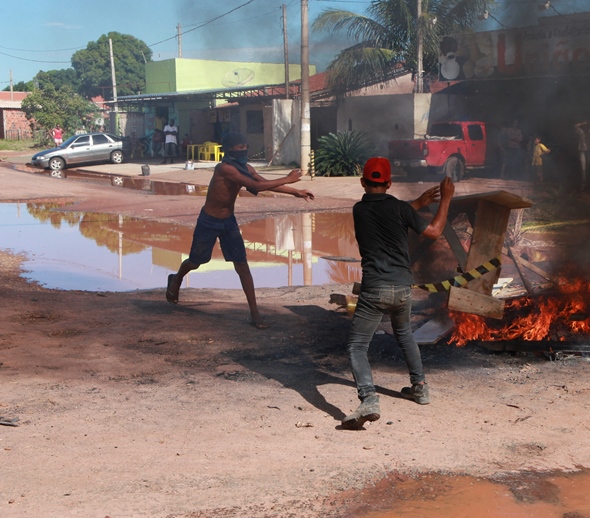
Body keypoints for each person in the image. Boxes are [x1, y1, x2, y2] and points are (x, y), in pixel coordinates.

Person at [342, 157, 454, 430]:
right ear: (389, 183)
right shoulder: (400, 208)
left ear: (362, 182)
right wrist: (446, 199)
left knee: (357, 346)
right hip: (403, 288)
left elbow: (389, 212)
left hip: (375, 289)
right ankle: (420, 387)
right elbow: (434, 230)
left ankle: (369, 399)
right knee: (404, 335)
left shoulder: (359, 210)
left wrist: (416, 202)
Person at [165, 131, 314, 328]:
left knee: (242, 265)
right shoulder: (224, 169)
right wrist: (287, 179)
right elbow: (255, 186)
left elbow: (261, 182)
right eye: (240, 147)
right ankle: (176, 279)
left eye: (245, 146)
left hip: (228, 222)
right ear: (229, 150)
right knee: (197, 261)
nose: (244, 150)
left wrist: (296, 192)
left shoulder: (245, 167)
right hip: (209, 221)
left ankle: (255, 314)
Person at [575, 121, 590, 190]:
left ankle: (588, 183)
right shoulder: (581, 131)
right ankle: (583, 184)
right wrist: (583, 123)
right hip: (582, 151)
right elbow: (575, 126)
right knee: (583, 167)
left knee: (589, 166)